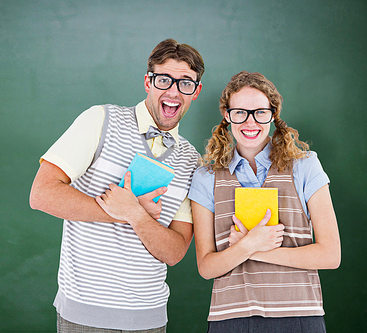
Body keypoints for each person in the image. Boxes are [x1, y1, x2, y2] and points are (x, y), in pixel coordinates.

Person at [29, 38, 205, 332]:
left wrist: (135, 215)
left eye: (185, 83)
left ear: (196, 92)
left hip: (150, 319)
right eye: (164, 80)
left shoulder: (191, 161)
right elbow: (42, 194)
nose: (173, 92)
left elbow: (174, 252)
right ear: (147, 82)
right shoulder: (101, 120)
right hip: (84, 317)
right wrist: (120, 210)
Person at [188, 71, 341, 332]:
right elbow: (206, 267)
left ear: (273, 114)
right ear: (227, 115)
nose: (250, 122)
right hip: (230, 319)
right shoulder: (206, 178)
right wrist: (248, 245)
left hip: (300, 317)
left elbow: (330, 255)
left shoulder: (305, 166)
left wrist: (253, 248)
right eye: (240, 112)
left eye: (260, 112)